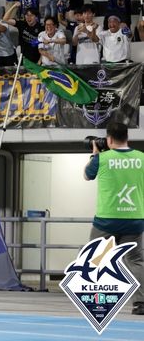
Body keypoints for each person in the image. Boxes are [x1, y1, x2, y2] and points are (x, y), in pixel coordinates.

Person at [83, 121, 144, 315]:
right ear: (127, 137)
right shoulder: (141, 158)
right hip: (134, 219)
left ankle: (99, 301)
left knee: (96, 258)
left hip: (106, 219)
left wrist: (95, 154)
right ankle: (140, 303)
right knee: (135, 260)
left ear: (109, 139)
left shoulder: (102, 159)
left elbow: (86, 176)